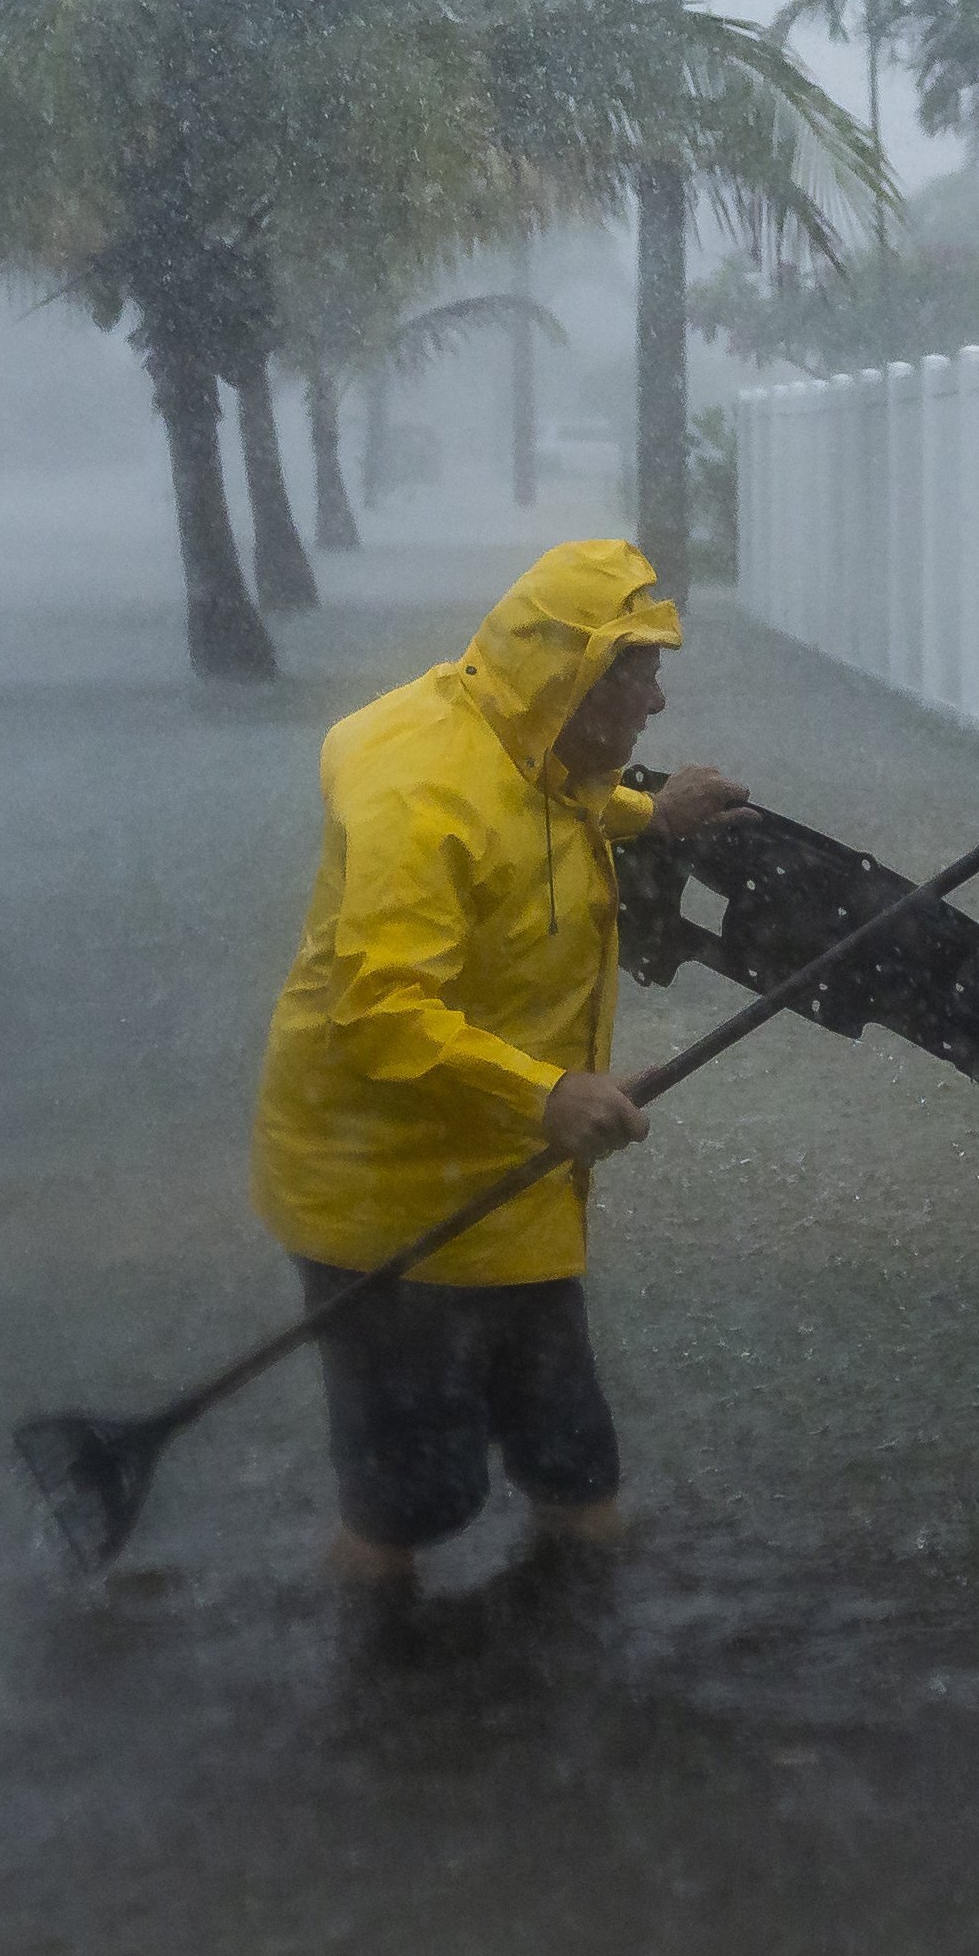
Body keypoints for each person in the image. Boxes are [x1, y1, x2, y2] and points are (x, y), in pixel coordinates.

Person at [247, 539, 748, 1585]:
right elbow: (380, 1011)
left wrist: (647, 816)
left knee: (574, 1472)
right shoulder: (416, 791)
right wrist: (548, 1091)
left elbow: (543, 799)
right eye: (639, 671)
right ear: (570, 673)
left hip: (504, 1183)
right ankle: (372, 1708)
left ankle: (565, 1704)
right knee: (401, 1512)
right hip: (388, 1201)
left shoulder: (524, 740)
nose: (656, 701)